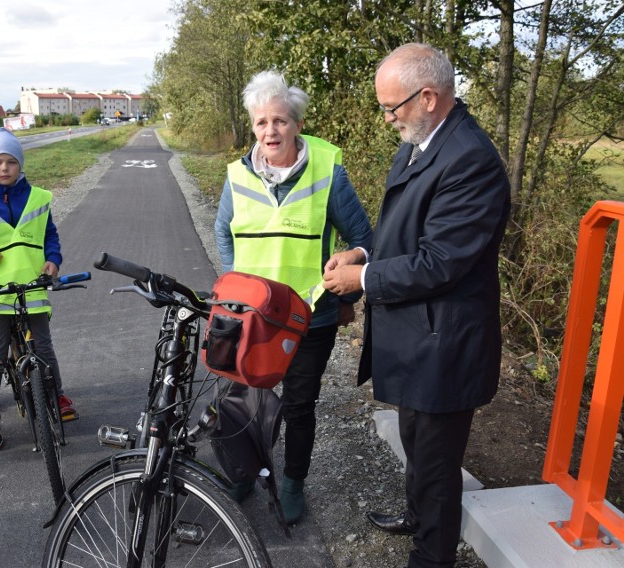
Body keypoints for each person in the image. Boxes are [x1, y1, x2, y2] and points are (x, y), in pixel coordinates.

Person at [322, 43, 510, 568]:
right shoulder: (419, 142)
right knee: (415, 441)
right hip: (415, 335)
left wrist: (362, 276)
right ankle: (417, 515)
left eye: (392, 107)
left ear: (428, 96)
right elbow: (401, 232)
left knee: (435, 463)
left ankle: (432, 554)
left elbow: (439, 263)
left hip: (444, 342)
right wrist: (362, 250)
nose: (387, 118)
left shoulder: (469, 158)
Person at [214, 70, 373, 524]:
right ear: (253, 126)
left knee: (300, 405)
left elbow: (365, 238)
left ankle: (293, 482)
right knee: (242, 399)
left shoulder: (327, 173)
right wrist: (234, 286)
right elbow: (223, 234)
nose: (271, 131)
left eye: (280, 121)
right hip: (251, 318)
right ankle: (244, 470)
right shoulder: (237, 176)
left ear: (297, 124)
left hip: (310, 316)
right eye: (262, 122)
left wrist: (351, 260)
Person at [0, 127, 76, 452]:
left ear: (20, 165)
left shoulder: (37, 198)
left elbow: (50, 235)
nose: (4, 168)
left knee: (45, 349)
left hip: (32, 288)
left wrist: (53, 260)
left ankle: (56, 393)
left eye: (11, 162)